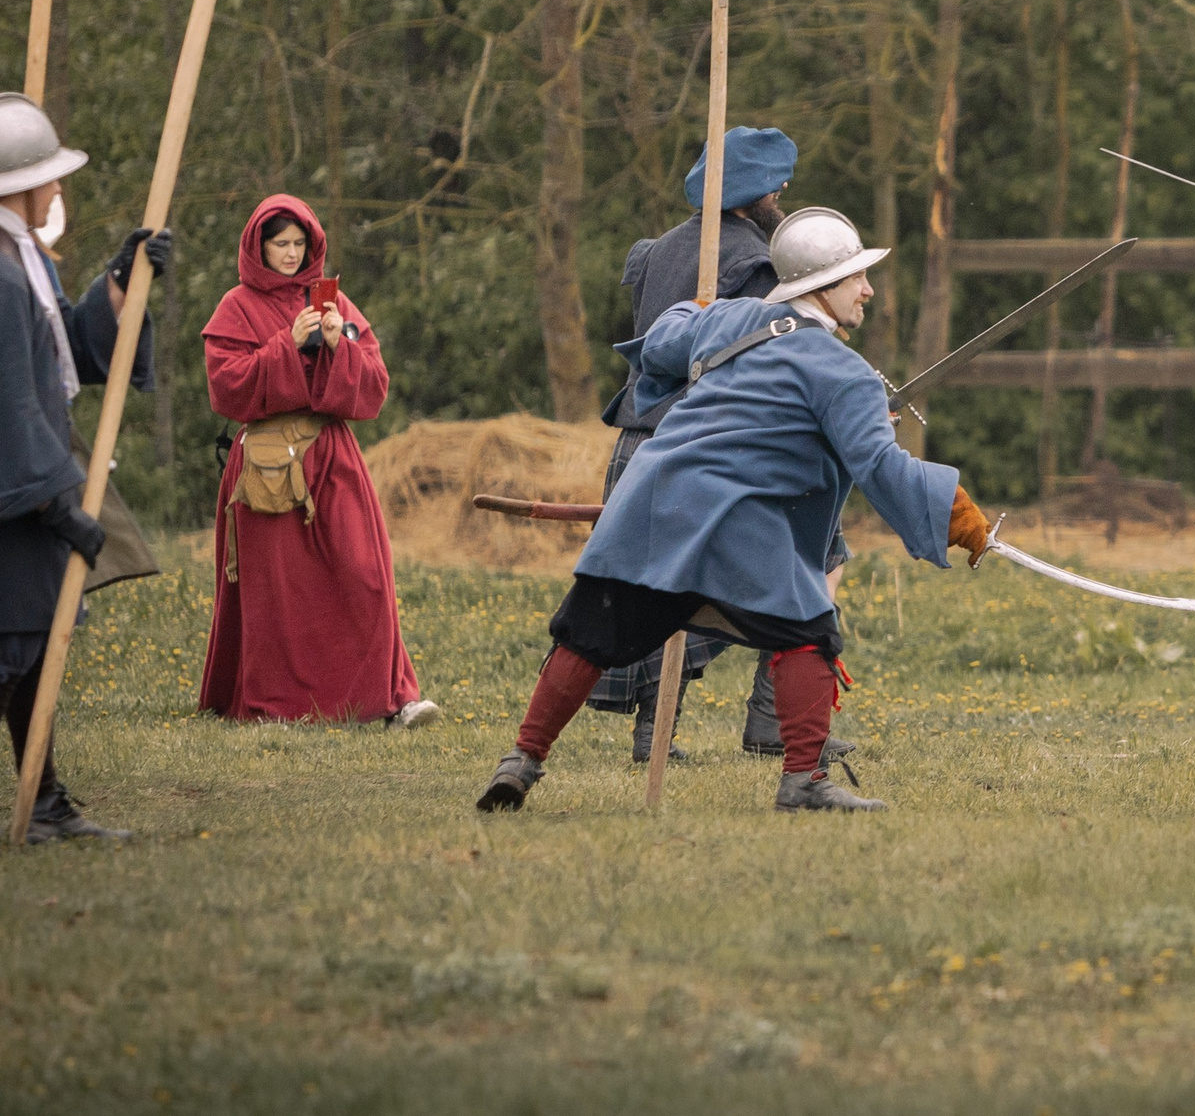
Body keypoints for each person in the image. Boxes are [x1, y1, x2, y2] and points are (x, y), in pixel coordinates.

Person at [476, 207, 990, 815]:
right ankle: (804, 781)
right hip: (736, 522)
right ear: (822, 285)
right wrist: (955, 510)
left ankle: (521, 762)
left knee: (588, 633)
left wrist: (697, 313)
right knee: (808, 631)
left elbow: (663, 339)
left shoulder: (732, 319)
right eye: (857, 276)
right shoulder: (846, 374)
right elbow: (879, 465)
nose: (869, 289)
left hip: (654, 501)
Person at [582, 126, 846, 767]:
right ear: (758, 192)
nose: (783, 196)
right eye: (778, 186)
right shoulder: (758, 265)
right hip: (709, 445)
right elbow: (767, 360)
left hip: (639, 441)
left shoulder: (655, 251)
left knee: (654, 581)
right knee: (815, 559)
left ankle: (656, 736)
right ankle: (771, 725)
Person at [198, 195, 435, 728]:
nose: (289, 253)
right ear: (258, 247)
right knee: (280, 594)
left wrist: (338, 345)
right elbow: (227, 389)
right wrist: (288, 345)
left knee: (365, 574)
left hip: (332, 458)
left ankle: (387, 701)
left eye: (298, 244)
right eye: (279, 243)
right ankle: (280, 708)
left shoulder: (336, 304)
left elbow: (374, 386)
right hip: (268, 465)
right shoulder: (235, 307)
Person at [0, 91, 164, 840]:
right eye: (50, 177)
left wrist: (121, 282)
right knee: (12, 643)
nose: (59, 189)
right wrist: (55, 498)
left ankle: (42, 799)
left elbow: (63, 351)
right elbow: (8, 398)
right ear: (15, 187)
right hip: (17, 486)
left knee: (32, 637)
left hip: (28, 482)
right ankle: (39, 801)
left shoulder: (24, 260)